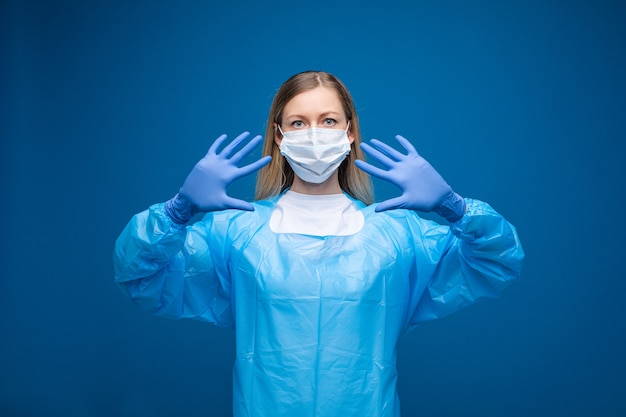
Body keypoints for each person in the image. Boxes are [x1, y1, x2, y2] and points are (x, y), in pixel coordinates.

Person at [113, 70, 524, 417]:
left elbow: (496, 262)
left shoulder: (397, 235)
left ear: (349, 132)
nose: (313, 134)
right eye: (297, 122)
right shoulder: (236, 232)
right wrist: (178, 209)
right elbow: (140, 277)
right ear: (278, 135)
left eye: (328, 121)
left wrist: (452, 207)